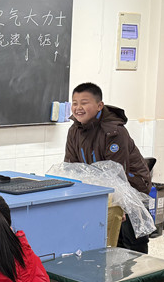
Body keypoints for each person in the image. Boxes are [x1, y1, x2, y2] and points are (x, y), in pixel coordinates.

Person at [64, 82, 152, 253]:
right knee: (110, 241)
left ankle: (143, 278)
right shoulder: (74, 131)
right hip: (104, 190)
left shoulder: (114, 132)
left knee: (132, 241)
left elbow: (117, 173)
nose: (78, 107)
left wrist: (120, 203)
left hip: (132, 189)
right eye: (75, 103)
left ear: (99, 106)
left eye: (84, 102)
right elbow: (71, 168)